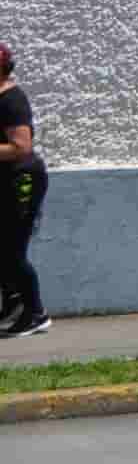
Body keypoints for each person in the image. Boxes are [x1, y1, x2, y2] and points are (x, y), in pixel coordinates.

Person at [0, 44, 48, 338]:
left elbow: (21, 146)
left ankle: (35, 314)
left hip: (22, 181)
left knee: (11, 251)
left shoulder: (11, 101)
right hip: (4, 181)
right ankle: (13, 303)